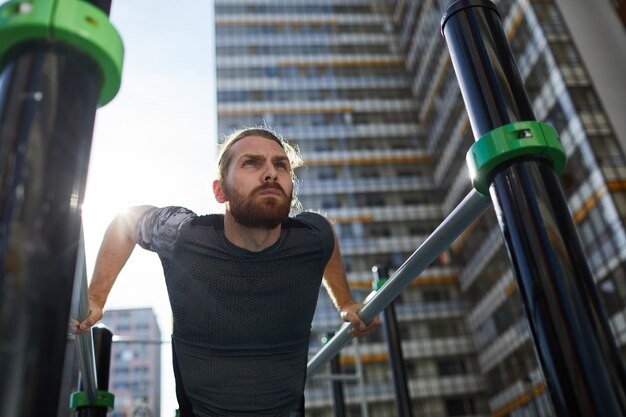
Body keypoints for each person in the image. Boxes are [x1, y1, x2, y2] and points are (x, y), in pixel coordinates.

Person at [75, 127, 380, 416]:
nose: (271, 172)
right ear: (220, 191)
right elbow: (125, 222)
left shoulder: (311, 237)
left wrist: (345, 303)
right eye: (252, 163)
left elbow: (327, 236)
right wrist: (96, 296)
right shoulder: (184, 234)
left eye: (281, 166)